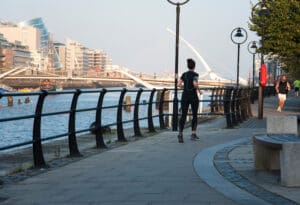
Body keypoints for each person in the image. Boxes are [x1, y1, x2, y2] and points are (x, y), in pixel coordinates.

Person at [177, 58, 202, 143]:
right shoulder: (195, 74)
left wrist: (185, 87)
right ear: (194, 66)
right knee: (194, 115)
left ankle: (180, 133)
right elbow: (195, 84)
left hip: (184, 96)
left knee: (183, 115)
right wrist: (199, 90)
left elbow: (179, 84)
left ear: (188, 66)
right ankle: (193, 134)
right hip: (193, 97)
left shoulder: (184, 74)